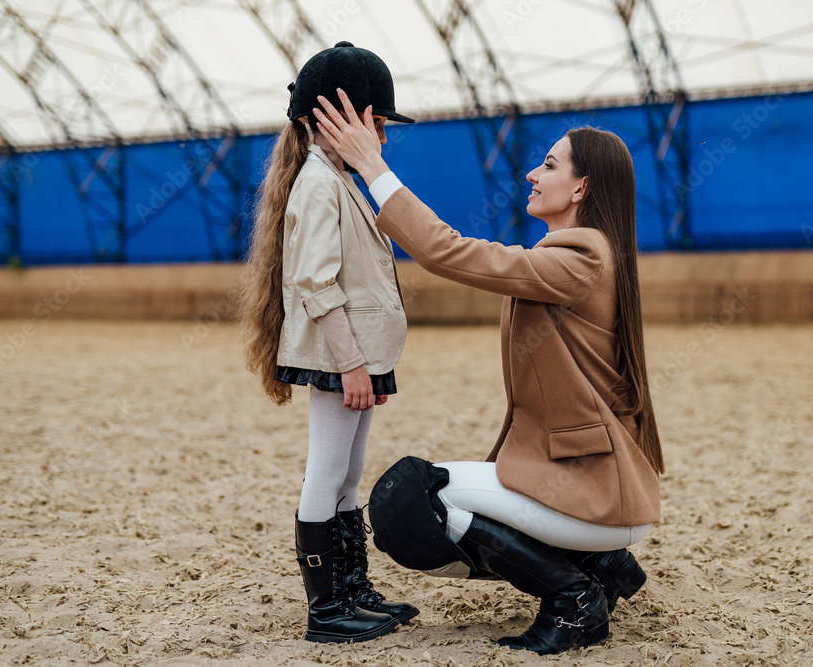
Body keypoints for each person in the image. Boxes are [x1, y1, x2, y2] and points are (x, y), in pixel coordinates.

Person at [313, 89, 664, 655]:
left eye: (549, 165)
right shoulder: (579, 252)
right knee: (426, 493)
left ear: (581, 187)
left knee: (405, 501)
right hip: (591, 494)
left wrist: (372, 167)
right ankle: (602, 567)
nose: (531, 172)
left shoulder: (583, 257)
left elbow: (446, 251)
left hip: (595, 496)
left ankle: (573, 597)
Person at [238, 43, 418, 644]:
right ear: (338, 120)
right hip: (342, 358)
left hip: (359, 357)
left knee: (349, 471)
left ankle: (351, 588)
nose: (383, 138)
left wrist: (367, 363)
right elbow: (315, 282)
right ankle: (325, 608)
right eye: (378, 123)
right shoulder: (318, 184)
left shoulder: (336, 179)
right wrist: (352, 366)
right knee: (327, 470)